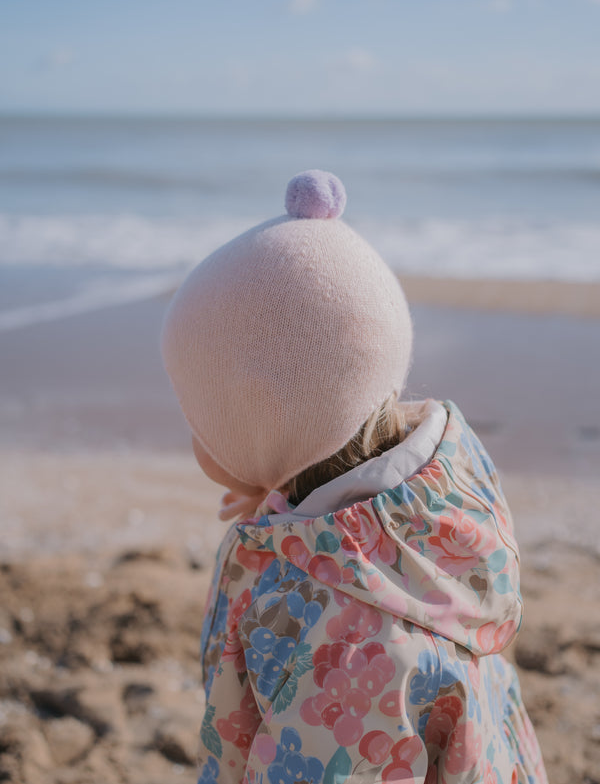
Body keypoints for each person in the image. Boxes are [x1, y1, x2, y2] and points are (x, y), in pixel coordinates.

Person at [161, 170, 548, 784]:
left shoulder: (338, 651)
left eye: (200, 418)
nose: (193, 437)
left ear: (264, 422)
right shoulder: (446, 484)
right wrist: (276, 487)